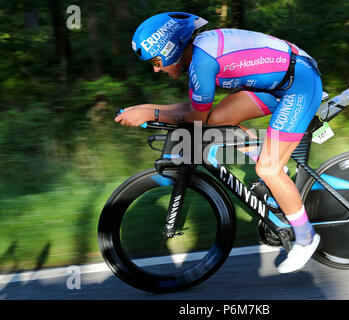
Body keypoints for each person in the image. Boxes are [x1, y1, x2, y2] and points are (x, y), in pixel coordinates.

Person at [115, 12, 322, 273]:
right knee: (219, 118)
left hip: (299, 85)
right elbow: (198, 111)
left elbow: (194, 117)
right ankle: (270, 160)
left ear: (171, 49)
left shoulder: (202, 63)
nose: (156, 69)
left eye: (156, 61)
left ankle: (306, 238)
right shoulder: (196, 55)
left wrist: (151, 113)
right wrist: (144, 108)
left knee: (267, 170)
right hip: (278, 81)